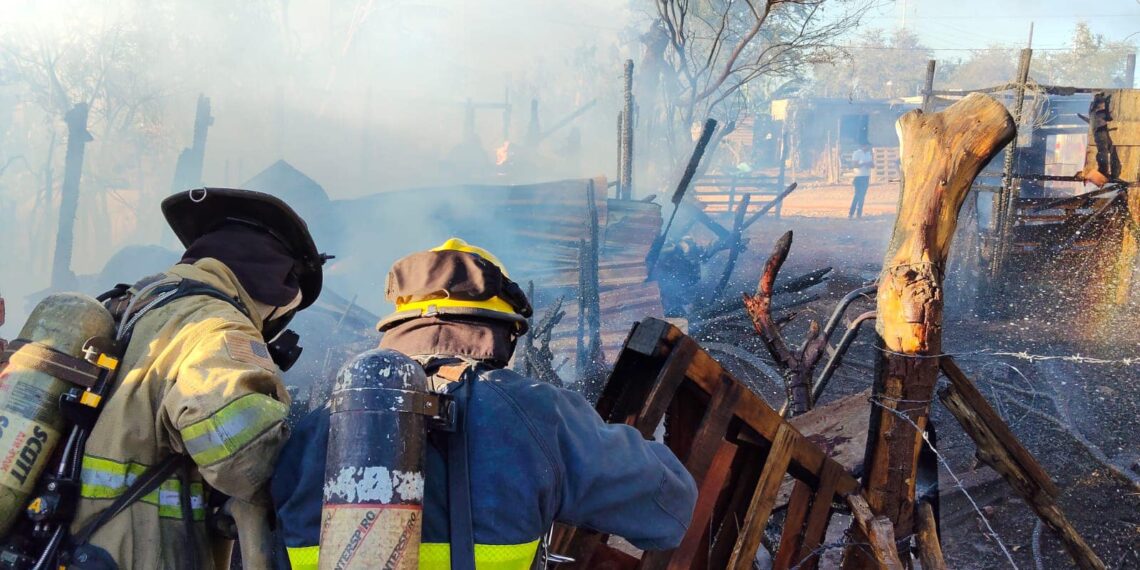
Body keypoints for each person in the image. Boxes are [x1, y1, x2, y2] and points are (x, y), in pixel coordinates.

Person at [272, 238, 698, 570]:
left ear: (399, 326)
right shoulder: (535, 413)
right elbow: (669, 510)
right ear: (502, 331)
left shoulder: (315, 428)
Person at [68, 188, 328, 569]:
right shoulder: (217, 328)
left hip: (69, 545)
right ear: (276, 287)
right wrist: (313, 440)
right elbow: (242, 459)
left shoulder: (132, 306)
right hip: (139, 554)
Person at [850, 142, 873, 219]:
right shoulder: (857, 153)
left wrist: (870, 164)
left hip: (866, 176)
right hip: (858, 176)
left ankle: (859, 214)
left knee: (862, 196)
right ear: (863, 145)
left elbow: (873, 165)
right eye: (867, 146)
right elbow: (854, 165)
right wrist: (863, 164)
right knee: (857, 195)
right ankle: (851, 213)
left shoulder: (868, 154)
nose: (868, 147)